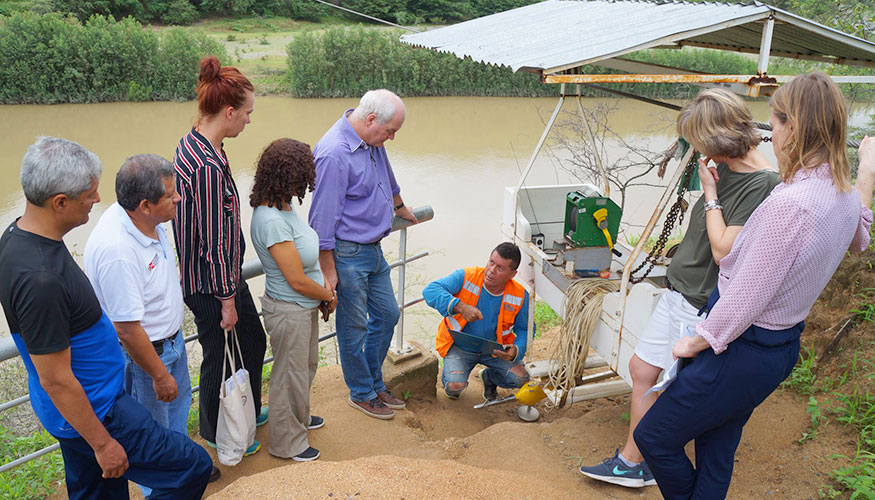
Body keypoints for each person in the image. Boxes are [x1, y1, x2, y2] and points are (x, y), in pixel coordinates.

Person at [634, 71, 873, 499]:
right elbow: (861, 238)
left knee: (655, 437)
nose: (771, 134)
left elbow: (750, 291)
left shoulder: (790, 204)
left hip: (741, 347)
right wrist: (867, 173)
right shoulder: (841, 194)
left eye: (776, 123)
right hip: (778, 349)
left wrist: (700, 340)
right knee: (717, 449)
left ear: (793, 127)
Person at [579, 88, 780, 488]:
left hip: (701, 300)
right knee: (641, 369)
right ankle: (638, 460)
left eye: (700, 141)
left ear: (720, 136)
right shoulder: (720, 165)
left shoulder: (762, 184)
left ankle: (634, 461)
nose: (697, 150)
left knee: (671, 388)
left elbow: (725, 251)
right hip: (678, 288)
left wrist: (709, 192)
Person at [0, 136, 212, 499]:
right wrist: (102, 443)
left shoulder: (18, 238)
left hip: (78, 413)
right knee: (192, 466)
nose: (98, 200)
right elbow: (56, 379)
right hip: (99, 413)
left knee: (98, 491)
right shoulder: (41, 279)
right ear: (60, 202)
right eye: (89, 194)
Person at [84, 154, 221, 492]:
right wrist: (159, 374)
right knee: (152, 436)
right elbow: (127, 329)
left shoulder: (147, 223)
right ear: (145, 205)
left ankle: (184, 466)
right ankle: (163, 489)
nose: (179, 198)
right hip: (147, 358)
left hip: (169, 345)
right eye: (171, 194)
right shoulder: (118, 250)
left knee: (174, 421)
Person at [172, 55, 266, 454]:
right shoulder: (208, 165)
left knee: (251, 342)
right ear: (228, 112)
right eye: (247, 113)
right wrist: (227, 300)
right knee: (218, 353)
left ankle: (246, 408)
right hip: (213, 282)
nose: (249, 120)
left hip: (216, 276)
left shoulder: (197, 141)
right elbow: (214, 240)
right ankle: (216, 431)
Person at [308, 89, 417, 420]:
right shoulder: (333, 154)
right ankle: (361, 392)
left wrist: (399, 205)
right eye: (390, 131)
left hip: (373, 249)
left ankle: (373, 382)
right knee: (353, 326)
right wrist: (329, 271)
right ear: (371, 120)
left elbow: (387, 176)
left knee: (388, 315)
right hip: (348, 253)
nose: (392, 138)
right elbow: (321, 221)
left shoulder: (371, 142)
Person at [250, 138, 336, 462]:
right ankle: (288, 442)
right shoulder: (271, 219)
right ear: (287, 175)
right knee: (289, 375)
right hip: (290, 309)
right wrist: (328, 294)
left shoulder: (285, 206)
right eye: (303, 175)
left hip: (304, 306)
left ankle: (298, 419)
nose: (307, 182)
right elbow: (296, 279)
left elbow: (307, 263)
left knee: (305, 367)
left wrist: (325, 290)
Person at [422, 242, 531, 401]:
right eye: (491, 262)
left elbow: (525, 329)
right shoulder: (466, 276)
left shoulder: (521, 295)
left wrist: (516, 350)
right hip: (460, 347)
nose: (491, 271)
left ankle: (489, 378)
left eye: (500, 268)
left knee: (521, 379)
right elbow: (430, 291)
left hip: (495, 350)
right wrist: (459, 306)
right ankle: (453, 376)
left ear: (512, 274)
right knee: (454, 386)